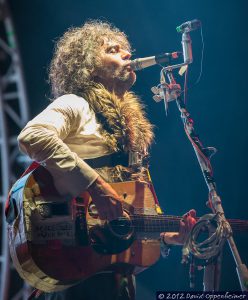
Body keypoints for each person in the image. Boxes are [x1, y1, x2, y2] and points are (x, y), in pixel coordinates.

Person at [17, 20, 196, 300]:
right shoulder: (75, 104)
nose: (127, 54)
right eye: (113, 50)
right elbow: (33, 135)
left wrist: (165, 237)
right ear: (88, 65)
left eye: (126, 49)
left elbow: (130, 210)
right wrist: (96, 187)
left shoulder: (133, 132)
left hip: (115, 277)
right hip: (73, 270)